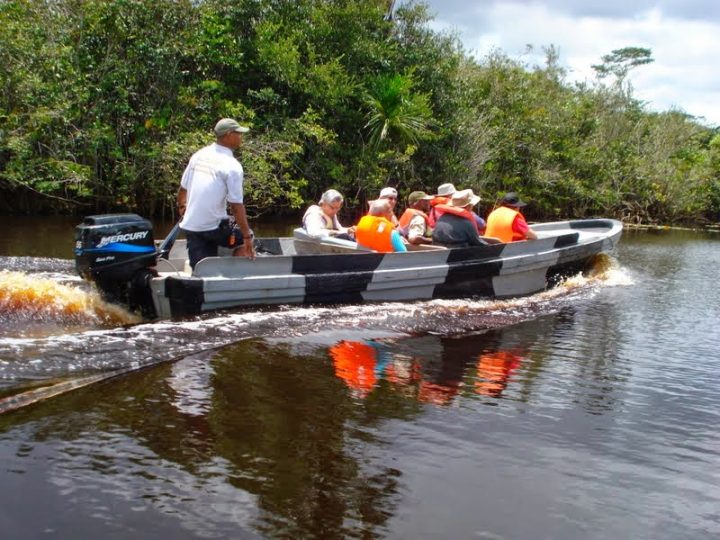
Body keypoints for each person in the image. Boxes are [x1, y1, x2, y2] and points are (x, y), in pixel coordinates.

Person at [177, 118, 255, 269]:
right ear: (228, 135)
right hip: (214, 229)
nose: (241, 137)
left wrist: (183, 208)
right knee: (248, 234)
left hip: (191, 227)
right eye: (238, 133)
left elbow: (182, 190)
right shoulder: (232, 166)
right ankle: (235, 273)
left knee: (199, 269)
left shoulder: (198, 155)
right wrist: (246, 237)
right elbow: (236, 206)